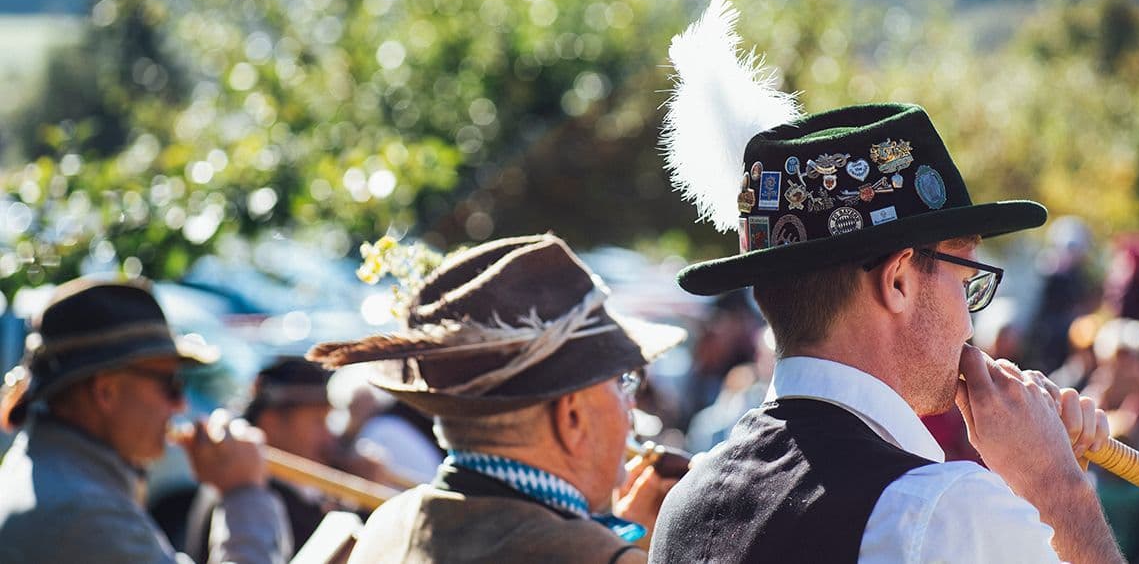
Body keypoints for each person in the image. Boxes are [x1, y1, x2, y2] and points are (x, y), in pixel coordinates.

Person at [650, 0, 1123, 563]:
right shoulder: (941, 511)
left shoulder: (686, 504)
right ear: (897, 280)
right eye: (966, 275)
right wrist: (1057, 487)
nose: (970, 321)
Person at [307, 233, 686, 563]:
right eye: (622, 382)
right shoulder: (595, 556)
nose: (631, 406)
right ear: (571, 416)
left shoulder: (387, 526)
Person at [0, 277, 289, 564]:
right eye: (171, 384)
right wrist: (243, 492)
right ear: (106, 391)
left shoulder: (60, 477)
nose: (181, 404)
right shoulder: (85, 513)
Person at [186, 356, 343, 561]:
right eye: (317, 422)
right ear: (272, 423)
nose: (329, 437)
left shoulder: (284, 488)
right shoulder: (249, 490)